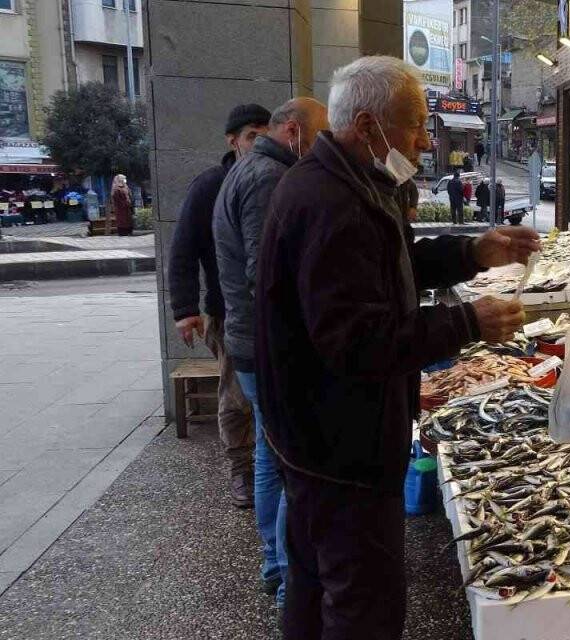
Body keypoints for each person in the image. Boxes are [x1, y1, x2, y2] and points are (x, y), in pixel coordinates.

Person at [254, 55, 537, 640]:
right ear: (366, 125)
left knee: (312, 582)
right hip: (341, 451)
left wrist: (471, 253)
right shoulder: (330, 204)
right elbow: (357, 342)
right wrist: (468, 322)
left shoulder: (353, 182)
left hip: (316, 442)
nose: (424, 139)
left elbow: (395, 262)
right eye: (415, 125)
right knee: (365, 604)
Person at [213, 96, 330, 607]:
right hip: (264, 343)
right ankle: (285, 575)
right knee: (288, 461)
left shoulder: (248, 170)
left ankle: (275, 564)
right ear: (291, 131)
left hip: (248, 339)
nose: (320, 148)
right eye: (318, 136)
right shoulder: (265, 179)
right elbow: (268, 274)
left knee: (270, 454)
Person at [168, 103, 270, 509]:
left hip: (273, 314)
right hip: (228, 313)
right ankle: (241, 470)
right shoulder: (210, 184)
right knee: (236, 397)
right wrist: (185, 309)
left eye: (266, 134)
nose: (260, 143)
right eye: (252, 136)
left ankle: (266, 464)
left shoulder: (277, 179)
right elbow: (182, 250)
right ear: (233, 141)